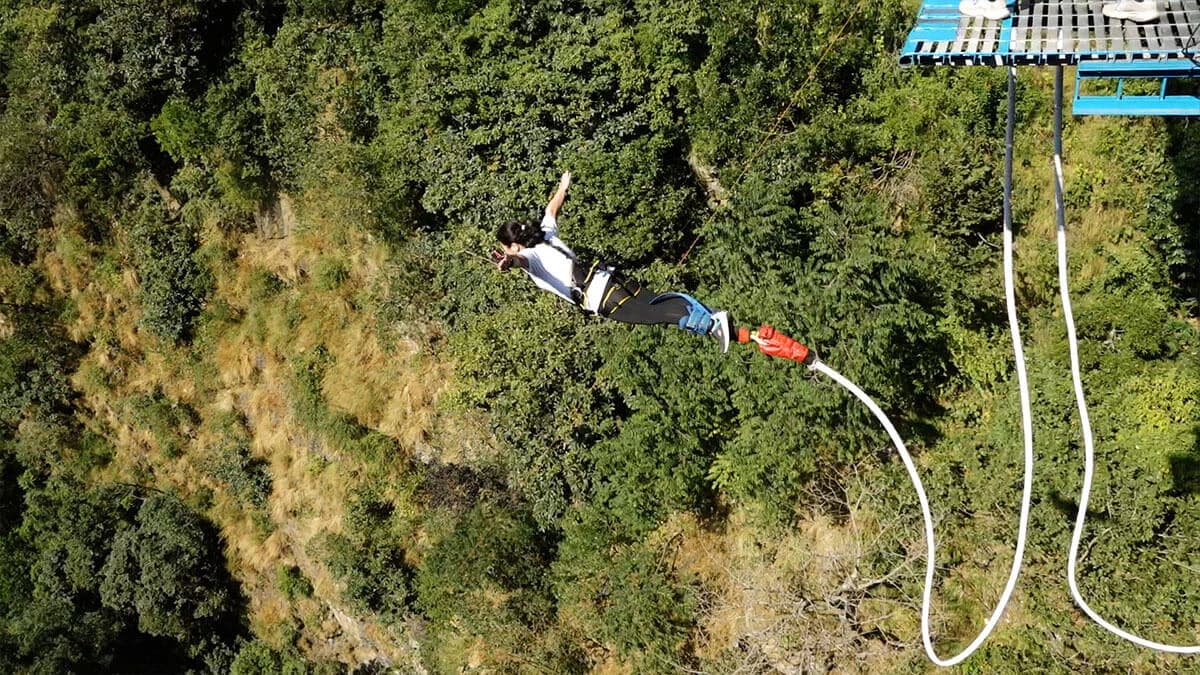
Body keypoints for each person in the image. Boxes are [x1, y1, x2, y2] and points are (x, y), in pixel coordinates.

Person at [493, 172, 733, 352]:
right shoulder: (546, 233)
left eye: (506, 247)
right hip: (612, 278)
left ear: (514, 246)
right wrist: (562, 187)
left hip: (602, 297)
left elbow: (519, 261)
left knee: (658, 313)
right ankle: (711, 314)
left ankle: (712, 324)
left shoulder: (531, 257)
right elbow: (552, 208)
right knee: (657, 301)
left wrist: (507, 262)